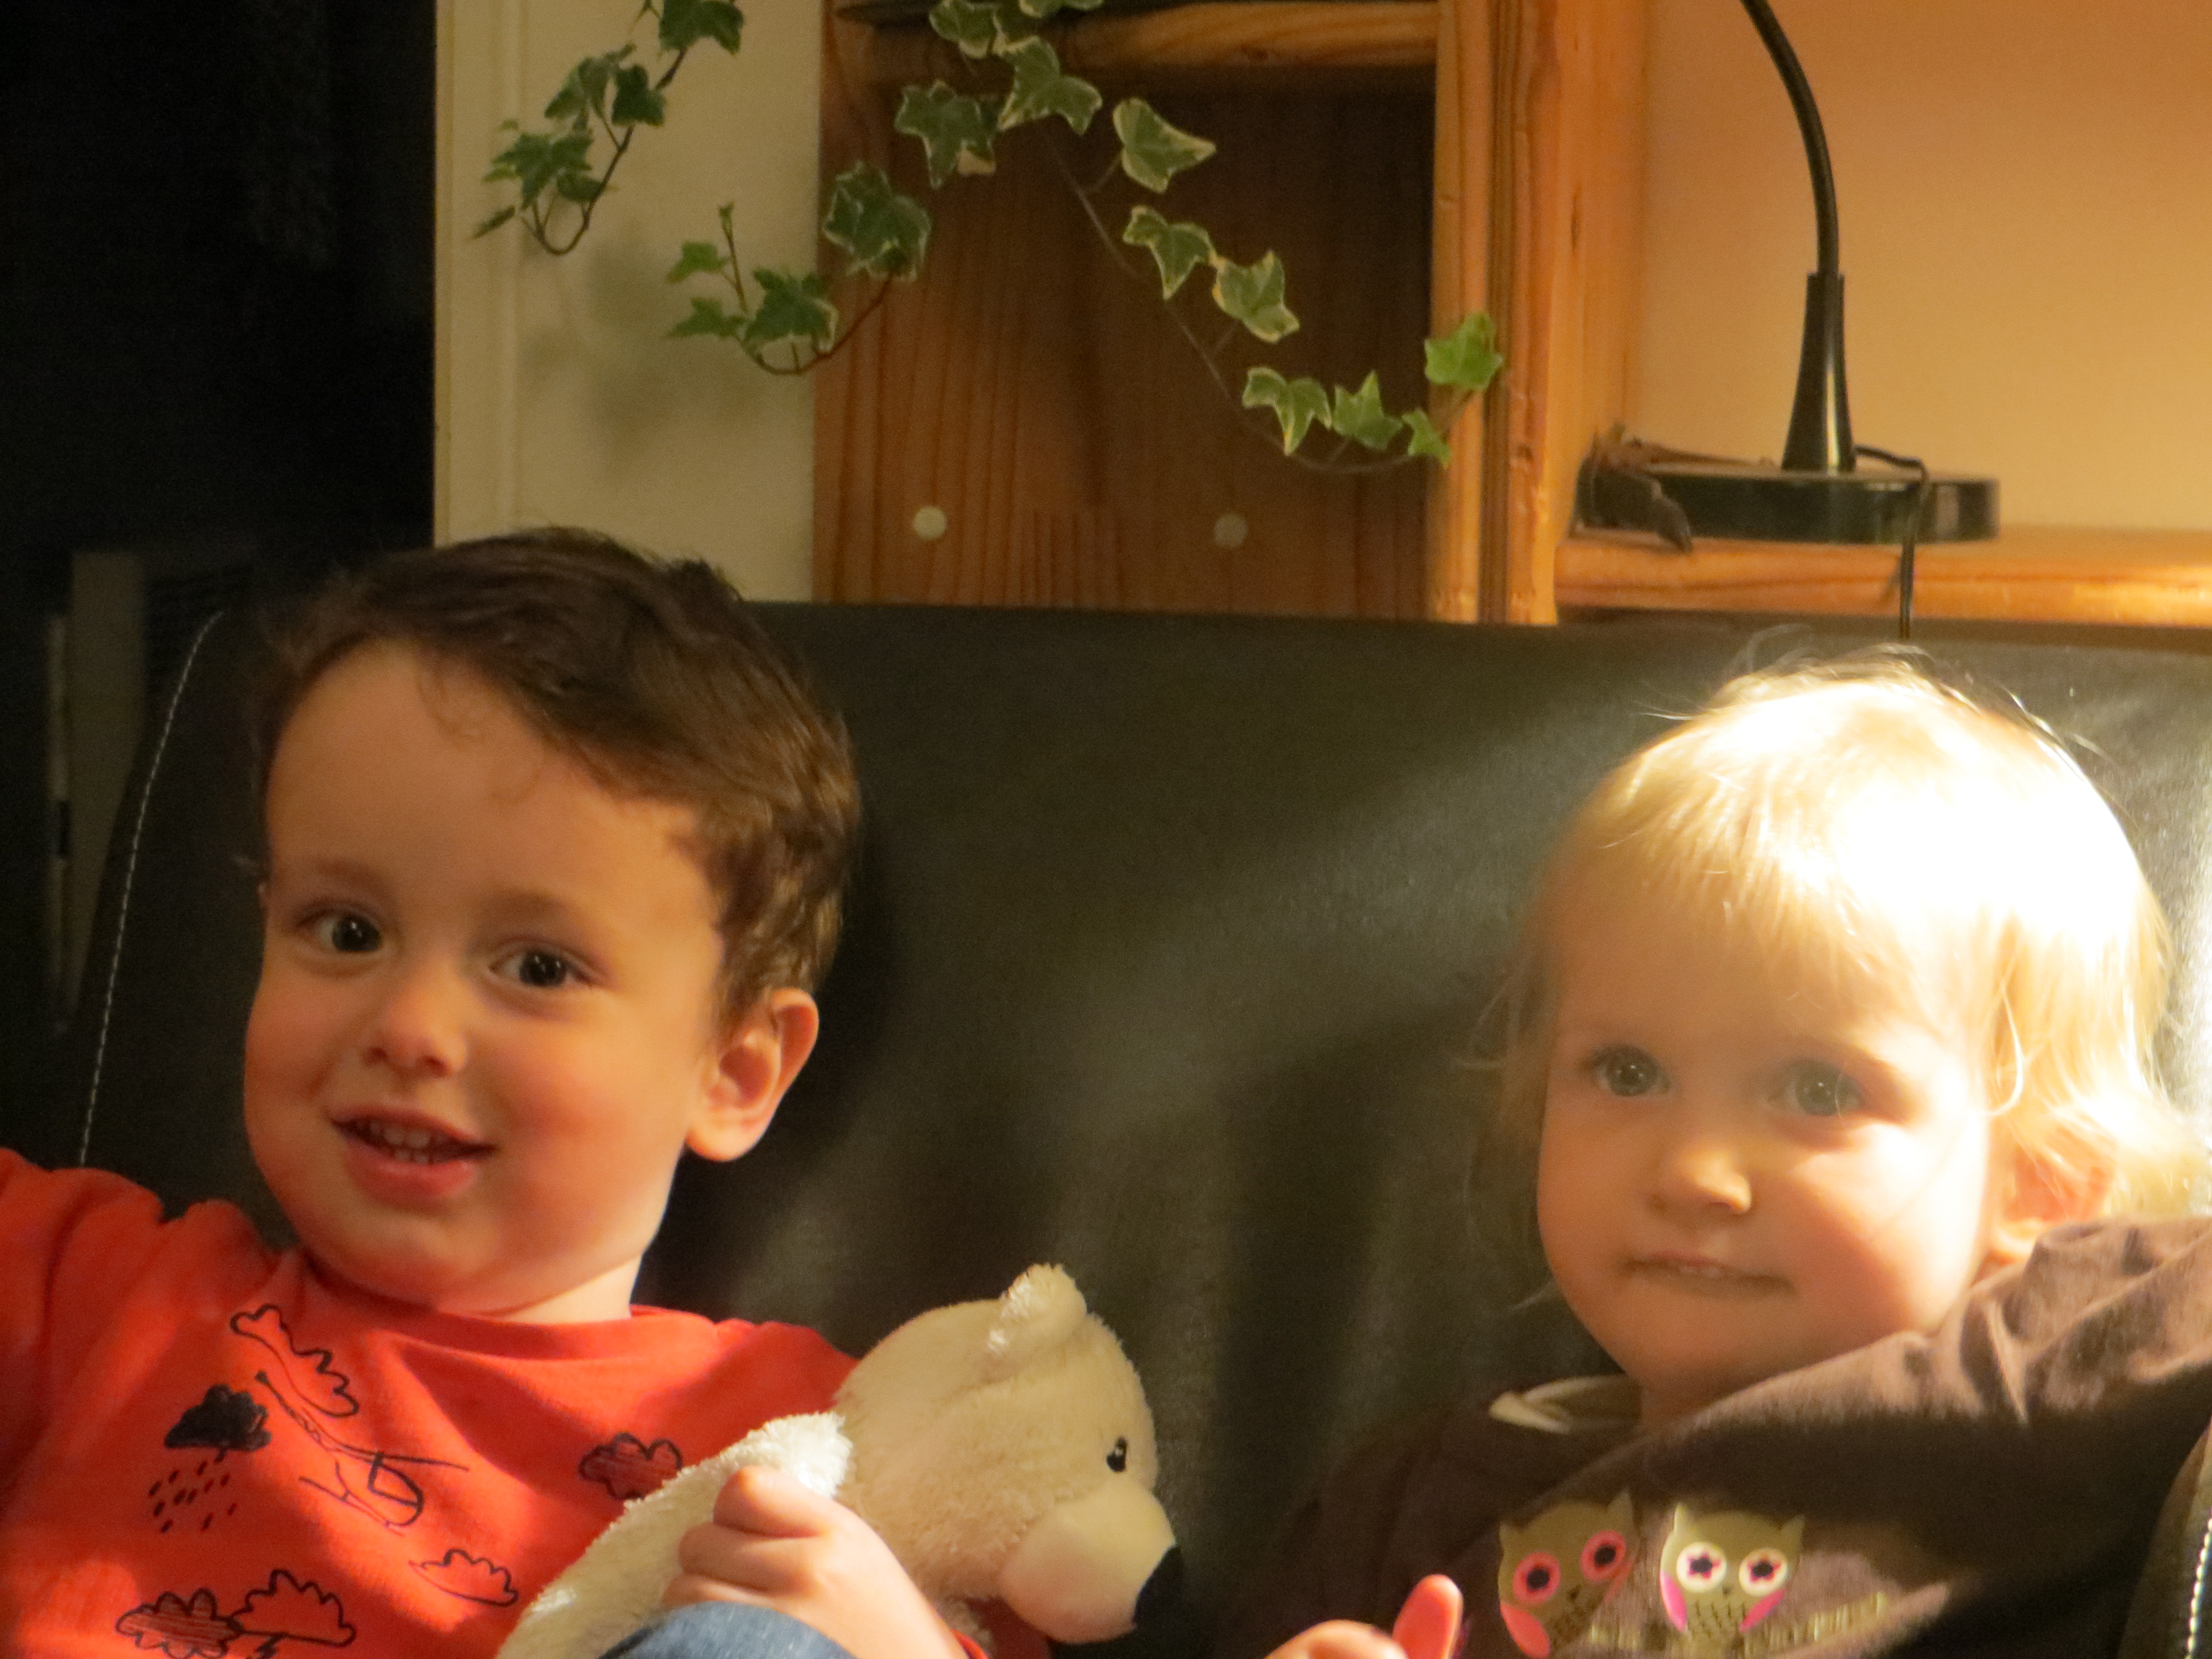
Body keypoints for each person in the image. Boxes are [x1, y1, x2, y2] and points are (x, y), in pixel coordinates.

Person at [0, 531, 963, 1659]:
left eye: (539, 968)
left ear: (732, 1073)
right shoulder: (97, 1294)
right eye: (345, 931)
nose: (409, 1028)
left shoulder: (828, 1438)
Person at [1224, 659, 2212, 1659]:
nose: (1694, 1171)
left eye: (1817, 1091)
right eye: (1628, 1072)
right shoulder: (1401, 1504)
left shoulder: (2030, 1388)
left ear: (2040, 1181)